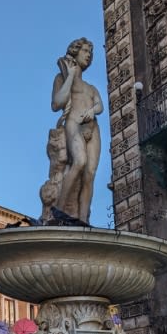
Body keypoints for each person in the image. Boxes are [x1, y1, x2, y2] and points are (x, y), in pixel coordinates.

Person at [50, 37, 103, 224]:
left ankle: (83, 219)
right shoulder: (62, 78)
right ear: (75, 52)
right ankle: (58, 209)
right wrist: (71, 75)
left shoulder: (91, 88)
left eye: (90, 52)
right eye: (85, 51)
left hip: (92, 127)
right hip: (74, 123)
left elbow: (100, 106)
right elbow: (57, 104)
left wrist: (93, 111)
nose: (89, 55)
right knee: (79, 161)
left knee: (90, 173)